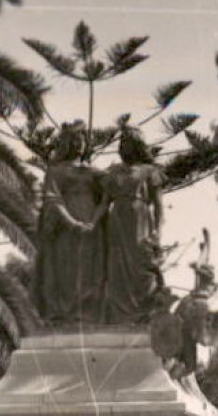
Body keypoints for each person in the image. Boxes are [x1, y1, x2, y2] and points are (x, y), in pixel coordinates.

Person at [32, 123, 104, 324]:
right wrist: (71, 222)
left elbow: (108, 194)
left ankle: (87, 315)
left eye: (82, 140)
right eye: (74, 140)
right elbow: (53, 199)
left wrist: (94, 219)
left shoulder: (94, 173)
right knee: (66, 270)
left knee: (89, 269)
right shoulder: (56, 171)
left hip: (91, 225)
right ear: (67, 144)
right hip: (65, 227)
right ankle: (64, 315)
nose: (79, 144)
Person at [95, 130, 167, 323]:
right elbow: (103, 204)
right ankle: (120, 319)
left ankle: (143, 315)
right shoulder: (114, 172)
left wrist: (157, 233)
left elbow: (159, 207)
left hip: (140, 221)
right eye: (121, 142)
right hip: (117, 222)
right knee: (116, 269)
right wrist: (89, 224)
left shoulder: (150, 171)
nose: (123, 146)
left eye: (127, 142)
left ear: (137, 145)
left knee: (141, 267)